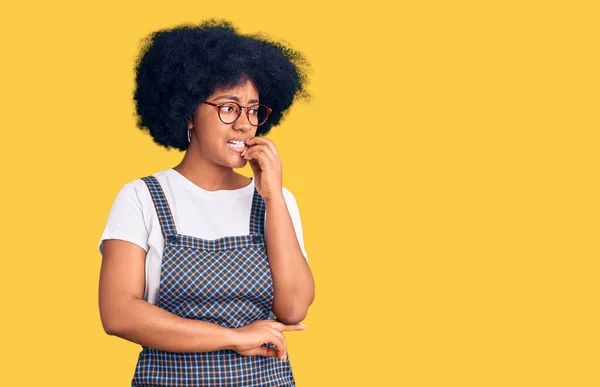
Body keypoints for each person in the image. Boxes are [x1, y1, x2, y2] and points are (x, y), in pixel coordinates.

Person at [97, 19, 315, 386]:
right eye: (228, 107)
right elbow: (119, 314)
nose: (245, 124)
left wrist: (274, 197)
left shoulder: (275, 200)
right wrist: (233, 337)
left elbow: (293, 309)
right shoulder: (141, 198)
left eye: (253, 110)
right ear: (187, 112)